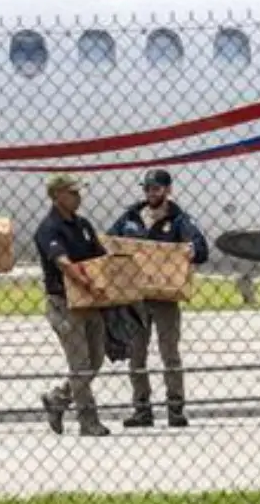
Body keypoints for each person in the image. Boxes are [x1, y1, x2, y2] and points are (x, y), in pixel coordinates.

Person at [107, 168, 209, 428]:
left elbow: (201, 248)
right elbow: (108, 240)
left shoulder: (179, 220)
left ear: (167, 190)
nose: (151, 193)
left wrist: (190, 249)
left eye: (156, 188)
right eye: (147, 188)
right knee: (136, 355)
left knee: (169, 354)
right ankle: (142, 410)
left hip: (165, 298)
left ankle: (175, 409)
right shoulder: (131, 217)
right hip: (137, 297)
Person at [33, 173, 111, 437]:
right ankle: (88, 421)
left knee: (96, 359)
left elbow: (100, 256)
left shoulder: (83, 225)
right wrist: (88, 283)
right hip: (65, 304)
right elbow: (63, 262)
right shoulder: (48, 229)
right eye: (73, 192)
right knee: (80, 364)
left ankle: (58, 398)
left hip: (90, 302)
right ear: (57, 196)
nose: (79, 197)